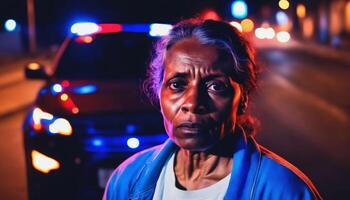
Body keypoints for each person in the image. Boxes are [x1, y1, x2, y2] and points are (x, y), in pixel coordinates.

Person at [103, 19, 322, 200]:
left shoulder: (285, 191)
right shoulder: (127, 181)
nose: (193, 103)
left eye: (216, 86)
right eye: (177, 85)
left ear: (243, 98)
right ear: (159, 92)